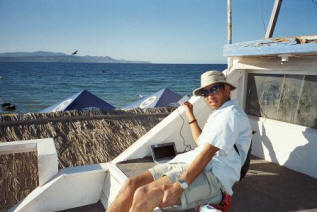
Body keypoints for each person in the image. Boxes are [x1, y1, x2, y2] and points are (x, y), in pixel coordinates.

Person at [106, 70, 252, 212]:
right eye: (205, 93)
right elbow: (201, 142)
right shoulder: (219, 114)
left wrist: (180, 186)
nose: (209, 96)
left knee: (144, 194)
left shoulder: (230, 114)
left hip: (213, 175)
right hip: (190, 162)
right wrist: (190, 113)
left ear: (227, 89)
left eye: (214, 89)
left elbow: (207, 154)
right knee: (131, 184)